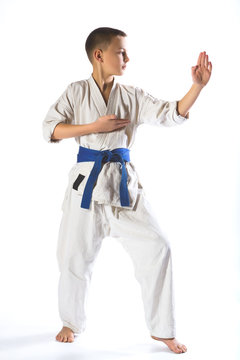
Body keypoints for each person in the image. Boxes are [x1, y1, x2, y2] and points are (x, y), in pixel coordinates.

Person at [42, 27, 212, 353]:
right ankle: (71, 322)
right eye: (121, 52)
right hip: (86, 187)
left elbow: (169, 113)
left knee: (158, 246)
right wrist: (95, 127)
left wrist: (197, 87)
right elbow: (51, 129)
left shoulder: (131, 95)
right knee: (73, 258)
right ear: (99, 55)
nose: (127, 58)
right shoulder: (76, 92)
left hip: (122, 185)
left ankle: (162, 329)